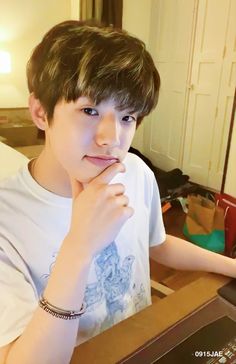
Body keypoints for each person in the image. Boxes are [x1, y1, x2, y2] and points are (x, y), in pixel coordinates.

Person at [0, 20, 235, 364]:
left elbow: (159, 244)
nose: (111, 138)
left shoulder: (135, 172)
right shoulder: (8, 218)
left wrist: (232, 266)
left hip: (146, 345)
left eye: (127, 117)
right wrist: (78, 248)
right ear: (40, 112)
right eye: (90, 110)